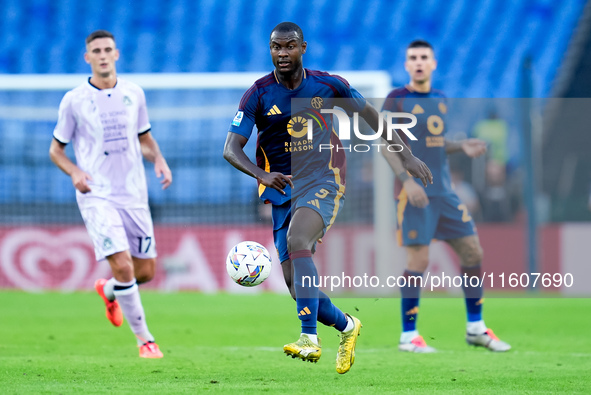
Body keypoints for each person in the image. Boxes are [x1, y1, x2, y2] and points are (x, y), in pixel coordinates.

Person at [223, 22, 432, 373]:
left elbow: (370, 117)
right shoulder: (258, 95)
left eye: (289, 46)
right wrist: (262, 175)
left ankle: (309, 338)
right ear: (270, 49)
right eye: (276, 47)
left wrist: (406, 154)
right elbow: (231, 149)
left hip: (324, 179)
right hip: (280, 190)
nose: (282, 53)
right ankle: (348, 326)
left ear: (303, 47)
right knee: (295, 288)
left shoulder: (328, 85)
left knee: (297, 238)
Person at [49, 30, 172, 359]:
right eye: (96, 51)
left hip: (133, 192)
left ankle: (109, 290)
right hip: (96, 194)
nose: (102, 55)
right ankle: (146, 340)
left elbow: (145, 138)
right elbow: (56, 150)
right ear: (87, 58)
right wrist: (75, 171)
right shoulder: (73, 100)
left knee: (144, 272)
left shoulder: (134, 93)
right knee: (123, 265)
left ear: (116, 54)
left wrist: (158, 159)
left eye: (107, 50)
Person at [382, 40, 510, 353]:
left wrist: (459, 145)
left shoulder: (440, 98)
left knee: (473, 253)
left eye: (424, 57)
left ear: (434, 63)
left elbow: (435, 142)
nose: (419, 62)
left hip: (445, 193)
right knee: (419, 260)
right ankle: (408, 335)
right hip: (416, 193)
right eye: (413, 57)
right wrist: (406, 182)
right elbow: (385, 143)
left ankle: (476, 328)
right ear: (407, 64)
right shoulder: (396, 99)